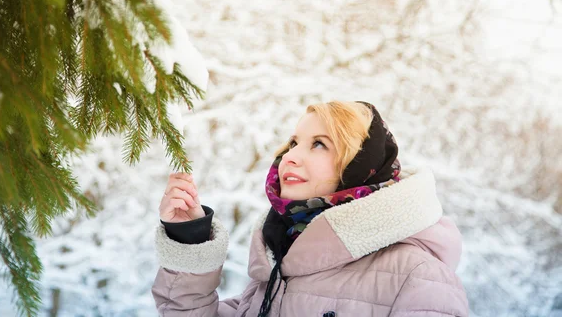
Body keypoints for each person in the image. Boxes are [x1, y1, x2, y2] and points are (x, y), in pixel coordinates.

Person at [152, 101, 469, 317]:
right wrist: (189, 237)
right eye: (293, 143)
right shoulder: (279, 270)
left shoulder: (417, 277)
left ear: (362, 165)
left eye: (319, 143)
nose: (289, 157)